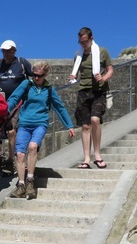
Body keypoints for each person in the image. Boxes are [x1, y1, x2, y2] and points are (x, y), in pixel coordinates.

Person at [7, 61, 75, 199]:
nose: (36, 78)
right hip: (24, 124)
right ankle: (21, 185)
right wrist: (4, 110)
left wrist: (69, 125)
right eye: (34, 74)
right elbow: (14, 99)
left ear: (45, 75)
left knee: (33, 147)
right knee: (19, 154)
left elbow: (59, 107)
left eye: (39, 75)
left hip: (40, 124)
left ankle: (30, 182)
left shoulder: (49, 89)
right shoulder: (26, 84)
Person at [70, 27, 114, 169]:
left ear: (91, 38)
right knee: (85, 125)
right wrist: (73, 76)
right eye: (80, 42)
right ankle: (86, 159)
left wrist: (104, 78)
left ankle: (97, 155)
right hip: (84, 91)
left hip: (99, 91)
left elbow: (110, 70)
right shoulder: (78, 55)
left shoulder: (102, 51)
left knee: (95, 120)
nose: (82, 44)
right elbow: (76, 72)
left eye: (85, 41)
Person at [0, 40, 33, 173]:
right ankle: (0, 154)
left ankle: (11, 159)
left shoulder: (22, 63)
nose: (5, 53)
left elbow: (34, 77)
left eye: (8, 51)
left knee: (11, 130)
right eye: (3, 51)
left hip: (17, 102)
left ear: (14, 51)